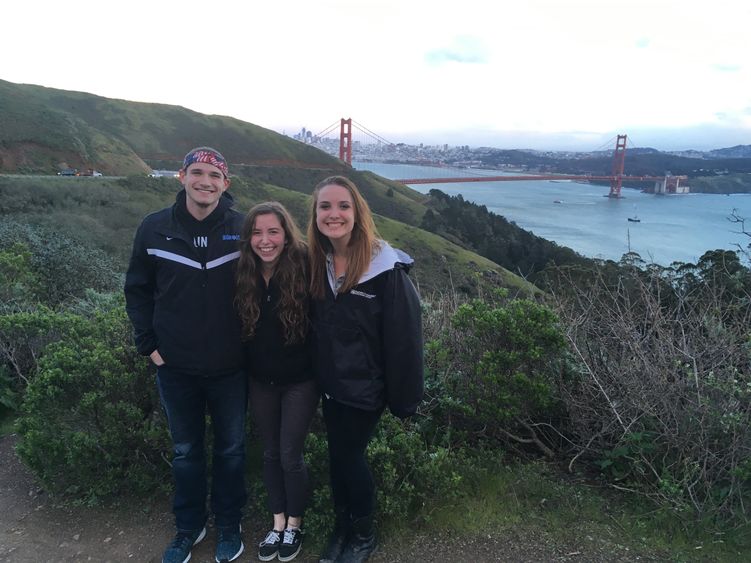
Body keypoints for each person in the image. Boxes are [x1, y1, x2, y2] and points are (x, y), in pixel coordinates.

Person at [124, 147, 247, 563]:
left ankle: (229, 526)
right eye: (196, 173)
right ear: (181, 177)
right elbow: (137, 290)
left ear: (225, 184)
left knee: (231, 451)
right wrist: (149, 346)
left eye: (214, 176)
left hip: (232, 368)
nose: (205, 182)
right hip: (174, 368)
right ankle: (189, 528)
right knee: (186, 452)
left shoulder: (243, 228)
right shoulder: (153, 228)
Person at [307, 176, 424, 563]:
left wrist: (405, 400)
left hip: (365, 388)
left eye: (343, 206)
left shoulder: (385, 270)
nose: (333, 214)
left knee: (348, 456)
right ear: (316, 214)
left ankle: (362, 533)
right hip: (331, 385)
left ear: (357, 213)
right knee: (338, 455)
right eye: (325, 206)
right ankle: (343, 527)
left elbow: (406, 341)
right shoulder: (317, 263)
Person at [235, 202, 318, 562]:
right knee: (269, 453)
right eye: (256, 232)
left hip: (301, 381)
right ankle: (278, 522)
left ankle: (295, 525)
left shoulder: (306, 265)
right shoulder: (243, 272)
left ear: (286, 235)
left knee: (289, 455)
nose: (264, 240)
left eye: (273, 232)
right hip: (260, 381)